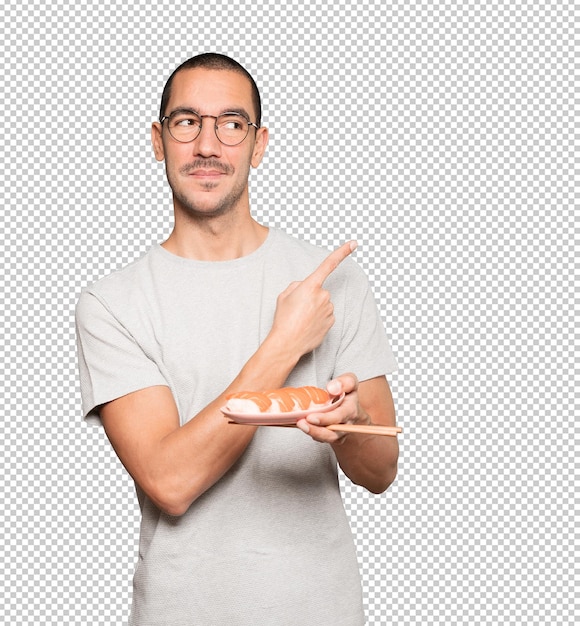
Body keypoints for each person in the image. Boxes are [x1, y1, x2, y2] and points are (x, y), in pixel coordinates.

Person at [76, 52, 399, 626]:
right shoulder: (112, 304)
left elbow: (382, 470)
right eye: (186, 122)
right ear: (158, 140)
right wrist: (285, 344)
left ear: (259, 143)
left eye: (231, 124)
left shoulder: (331, 280)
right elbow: (170, 481)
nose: (207, 146)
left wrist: (346, 431)